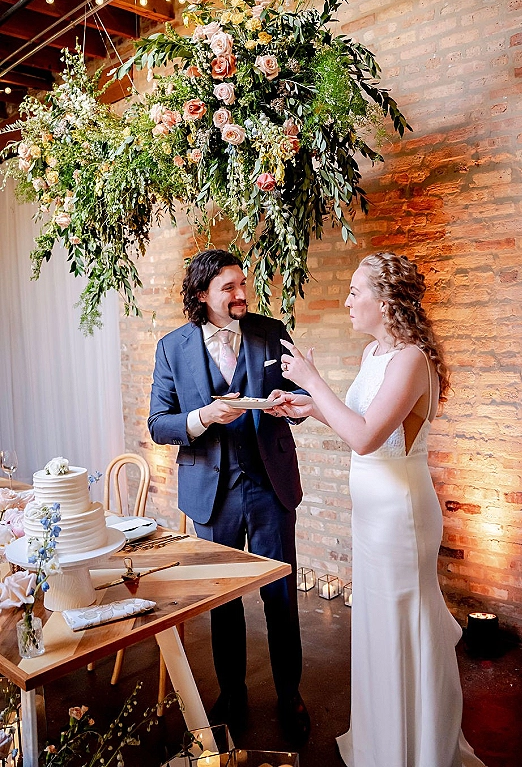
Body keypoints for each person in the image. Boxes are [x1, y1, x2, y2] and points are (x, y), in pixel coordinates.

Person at [272, 252, 486, 767]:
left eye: (354, 292)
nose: (347, 301)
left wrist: (311, 380)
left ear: (384, 300)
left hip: (400, 517)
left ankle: (415, 749)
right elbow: (358, 426)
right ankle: (381, 743)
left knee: (402, 627)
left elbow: (367, 438)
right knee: (375, 626)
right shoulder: (374, 355)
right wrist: (310, 408)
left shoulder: (412, 360)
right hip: (370, 515)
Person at [148, 249, 310, 744]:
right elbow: (159, 423)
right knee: (222, 599)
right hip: (210, 492)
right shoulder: (171, 348)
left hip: (269, 484)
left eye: (244, 284)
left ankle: (291, 694)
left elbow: (301, 402)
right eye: (229, 287)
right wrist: (204, 418)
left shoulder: (270, 330)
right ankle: (233, 693)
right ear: (202, 294)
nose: (242, 294)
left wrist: (291, 407)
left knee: (281, 595)